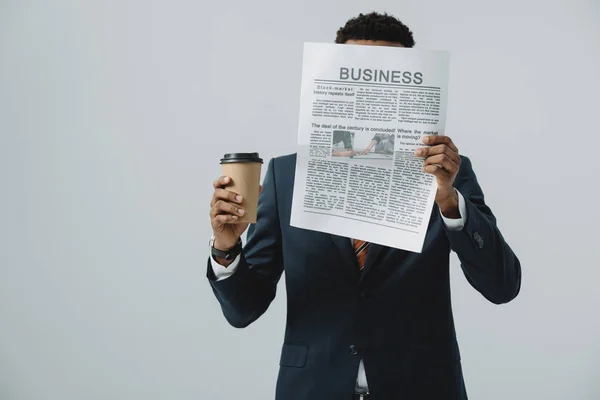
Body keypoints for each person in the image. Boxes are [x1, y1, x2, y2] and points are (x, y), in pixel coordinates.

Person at [207, 12, 521, 400]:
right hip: (313, 389)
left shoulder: (448, 174)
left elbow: (503, 286)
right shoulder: (286, 176)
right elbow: (243, 311)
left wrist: (449, 202)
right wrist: (226, 249)